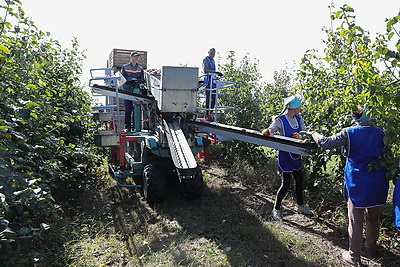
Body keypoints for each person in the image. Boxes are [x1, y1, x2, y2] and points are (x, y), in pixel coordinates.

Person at [311, 105, 389, 266]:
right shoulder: (381, 133)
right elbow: (387, 157)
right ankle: (371, 248)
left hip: (358, 183)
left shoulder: (349, 132)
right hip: (378, 182)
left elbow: (326, 143)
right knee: (373, 217)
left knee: (355, 220)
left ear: (355, 118)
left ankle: (354, 256)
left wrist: (314, 134)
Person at [262, 96, 312, 221]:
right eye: (299, 107)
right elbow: (271, 129)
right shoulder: (281, 120)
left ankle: (300, 205)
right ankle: (276, 209)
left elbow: (304, 133)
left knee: (299, 180)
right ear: (293, 108)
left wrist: (303, 137)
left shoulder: (299, 119)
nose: (300, 109)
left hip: (296, 154)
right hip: (285, 155)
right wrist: (268, 132)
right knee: (286, 183)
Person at [121, 51, 145, 132]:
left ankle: (136, 127)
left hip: (136, 91)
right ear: (130, 57)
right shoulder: (125, 67)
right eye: (135, 57)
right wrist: (131, 80)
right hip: (127, 91)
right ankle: (127, 126)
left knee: (136, 109)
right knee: (128, 108)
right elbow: (122, 78)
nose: (136, 58)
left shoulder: (140, 69)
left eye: (137, 57)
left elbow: (142, 80)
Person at [202, 48, 217, 120]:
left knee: (214, 97)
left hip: (213, 81)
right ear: (208, 53)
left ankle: (210, 112)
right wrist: (215, 73)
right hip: (208, 81)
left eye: (213, 54)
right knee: (208, 97)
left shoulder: (213, 60)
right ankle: (207, 113)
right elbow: (206, 70)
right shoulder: (206, 60)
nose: (212, 55)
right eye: (211, 53)